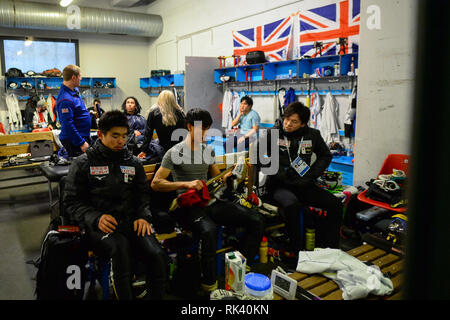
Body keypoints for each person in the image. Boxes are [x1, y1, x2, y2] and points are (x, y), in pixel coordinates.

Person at [151, 108, 264, 293]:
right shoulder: (174, 152)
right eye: (201, 129)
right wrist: (187, 184)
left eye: (207, 129)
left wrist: (229, 177)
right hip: (187, 206)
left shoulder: (208, 150)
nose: (205, 133)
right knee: (209, 230)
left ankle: (244, 266)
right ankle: (209, 283)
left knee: (256, 219)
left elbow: (217, 180)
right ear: (189, 127)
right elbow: (156, 183)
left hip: (209, 202)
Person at [63, 110, 167, 300]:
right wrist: (95, 218)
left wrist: (143, 216)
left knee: (157, 254)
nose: (121, 141)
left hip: (131, 222)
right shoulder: (83, 163)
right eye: (115, 136)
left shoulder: (133, 162)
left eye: (124, 136)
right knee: (120, 250)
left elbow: (143, 195)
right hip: (100, 227)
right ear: (101, 135)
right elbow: (70, 202)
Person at [259, 102, 343, 251]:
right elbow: (259, 158)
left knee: (336, 204)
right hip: (279, 185)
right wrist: (279, 173)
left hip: (304, 183)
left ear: (303, 124)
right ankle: (295, 251)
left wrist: (313, 174)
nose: (288, 124)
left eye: (294, 121)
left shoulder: (312, 135)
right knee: (292, 206)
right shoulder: (274, 133)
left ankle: (331, 248)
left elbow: (325, 155)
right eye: (287, 119)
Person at [138, 90, 186, 160]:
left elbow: (148, 133)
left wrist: (144, 151)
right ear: (173, 99)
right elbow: (185, 132)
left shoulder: (153, 113)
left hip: (163, 148)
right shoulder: (180, 112)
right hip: (179, 148)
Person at [55, 64, 91, 157]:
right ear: (74, 77)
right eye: (80, 76)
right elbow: (67, 124)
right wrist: (81, 143)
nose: (81, 78)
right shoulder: (65, 99)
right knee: (79, 168)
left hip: (81, 135)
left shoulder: (74, 90)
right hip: (75, 140)